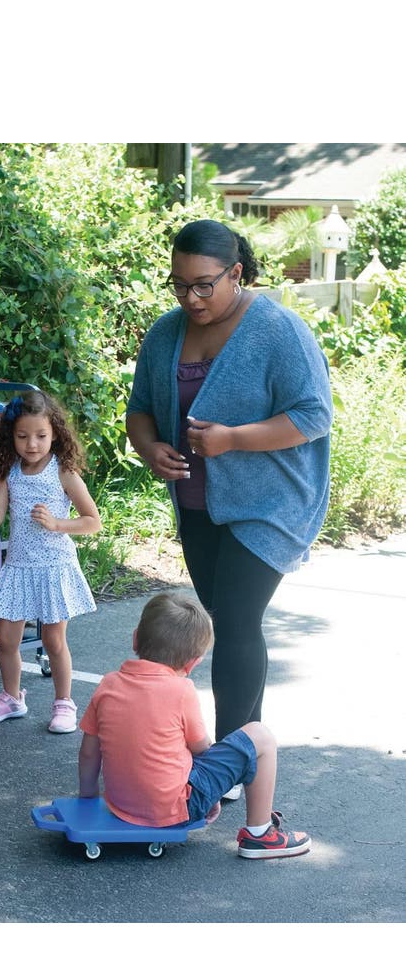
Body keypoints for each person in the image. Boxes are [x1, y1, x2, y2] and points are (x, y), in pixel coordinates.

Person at [125, 218, 332, 797]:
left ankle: (227, 760)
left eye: (203, 285)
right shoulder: (166, 334)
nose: (191, 298)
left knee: (238, 621)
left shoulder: (278, 330)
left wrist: (234, 438)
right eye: (178, 285)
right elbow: (140, 409)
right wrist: (149, 449)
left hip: (268, 503)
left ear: (236, 273)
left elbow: (312, 416)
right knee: (227, 621)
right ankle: (247, 752)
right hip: (197, 504)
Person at [78, 592, 311, 859]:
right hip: (174, 808)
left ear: (134, 638)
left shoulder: (108, 684)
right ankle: (261, 835)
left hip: (120, 804)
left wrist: (88, 801)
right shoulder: (181, 690)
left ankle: (259, 830)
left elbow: (89, 752)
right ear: (193, 662)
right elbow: (201, 749)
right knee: (260, 736)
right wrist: (210, 793)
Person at [0, 389, 102, 733]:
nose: (32, 444)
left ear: (55, 432)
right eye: (23, 436)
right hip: (19, 568)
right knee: (8, 641)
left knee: (54, 642)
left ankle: (64, 703)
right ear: (11, 436)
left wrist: (58, 524)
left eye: (41, 436)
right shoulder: (9, 472)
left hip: (54, 567)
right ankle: (12, 699)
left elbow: (92, 521)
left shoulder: (63, 472)